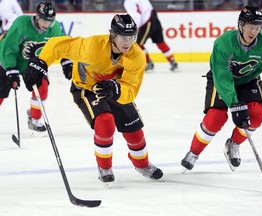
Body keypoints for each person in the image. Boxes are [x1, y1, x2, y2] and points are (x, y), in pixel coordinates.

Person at [22, 14, 163, 183]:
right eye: (123, 37)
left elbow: (131, 89)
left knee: (134, 128)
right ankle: (104, 166)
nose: (128, 42)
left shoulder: (137, 56)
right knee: (105, 122)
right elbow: (57, 45)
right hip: (86, 88)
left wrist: (116, 89)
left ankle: (142, 164)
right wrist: (41, 62)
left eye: (131, 37)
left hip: (114, 90)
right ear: (113, 35)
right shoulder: (92, 46)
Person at [181, 6, 262, 172]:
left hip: (249, 80)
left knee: (256, 115)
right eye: (250, 27)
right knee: (216, 117)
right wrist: (234, 104)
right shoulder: (224, 43)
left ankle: (233, 144)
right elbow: (222, 76)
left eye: (258, 28)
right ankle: (194, 152)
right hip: (221, 80)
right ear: (241, 25)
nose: (254, 32)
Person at [0, 2, 73, 133]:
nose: (47, 25)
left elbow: (63, 44)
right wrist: (11, 69)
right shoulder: (22, 24)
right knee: (1, 91)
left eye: (50, 21)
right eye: (44, 20)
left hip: (33, 63)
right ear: (37, 16)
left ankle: (34, 119)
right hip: (7, 59)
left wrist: (66, 61)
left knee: (42, 88)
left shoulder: (54, 28)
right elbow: (8, 47)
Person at [123, 0, 178, 72]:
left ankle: (148, 62)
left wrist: (133, 29)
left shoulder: (128, 2)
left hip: (147, 21)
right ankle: (172, 61)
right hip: (154, 17)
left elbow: (136, 16)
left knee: (138, 45)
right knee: (160, 42)